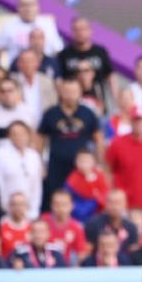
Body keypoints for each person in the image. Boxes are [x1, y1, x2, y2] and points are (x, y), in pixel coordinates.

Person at [38, 79, 103, 208]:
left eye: (73, 91)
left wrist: (98, 163)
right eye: (66, 91)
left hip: (82, 168)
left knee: (81, 202)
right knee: (55, 199)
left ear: (80, 92)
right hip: (56, 167)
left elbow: (99, 140)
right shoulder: (51, 113)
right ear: (61, 92)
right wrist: (40, 164)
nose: (70, 95)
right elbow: (39, 140)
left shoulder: (88, 113)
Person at [105, 106, 142, 213]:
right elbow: (108, 170)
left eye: (141, 120)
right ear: (130, 122)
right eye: (135, 121)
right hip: (124, 203)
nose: (139, 124)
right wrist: (111, 194)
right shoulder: (117, 143)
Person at [0, 0, 64, 63]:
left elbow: (57, 50)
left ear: (38, 6)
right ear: (18, 7)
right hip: (17, 70)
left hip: (45, 70)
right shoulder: (8, 26)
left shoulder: (48, 24)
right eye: (24, 5)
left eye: (31, 4)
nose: (28, 8)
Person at [85, 188, 139, 255]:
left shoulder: (131, 228)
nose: (115, 207)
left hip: (124, 264)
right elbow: (88, 251)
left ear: (125, 204)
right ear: (105, 204)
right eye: (111, 203)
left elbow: (134, 253)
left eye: (118, 203)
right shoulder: (93, 224)